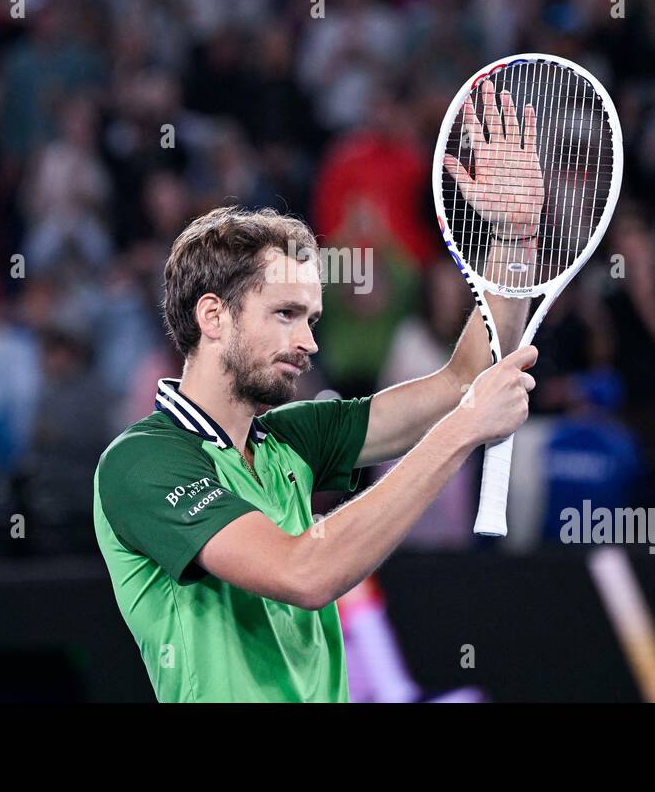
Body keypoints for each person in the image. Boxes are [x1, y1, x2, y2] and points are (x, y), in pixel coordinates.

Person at [94, 83, 540, 702]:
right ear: (214, 317)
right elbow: (304, 571)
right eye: (285, 314)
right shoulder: (140, 462)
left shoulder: (293, 439)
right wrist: (464, 429)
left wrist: (513, 243)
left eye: (311, 317)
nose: (309, 342)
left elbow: (464, 379)